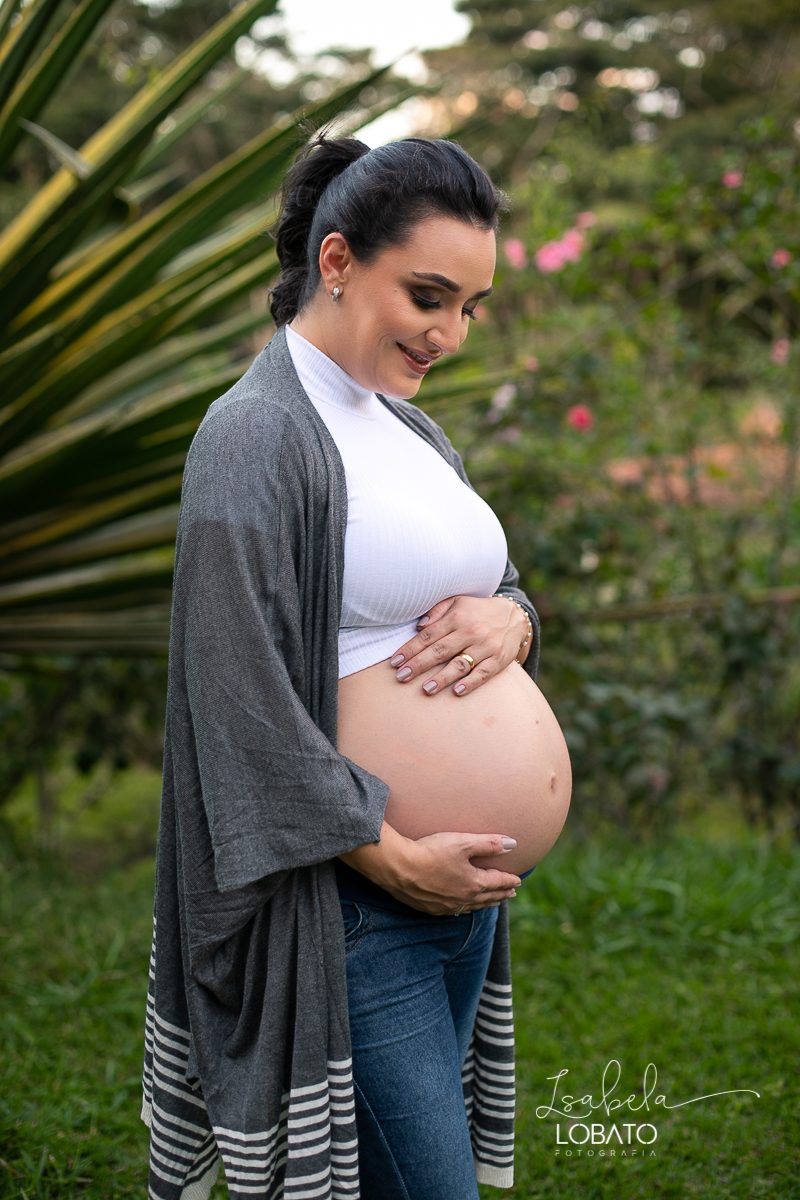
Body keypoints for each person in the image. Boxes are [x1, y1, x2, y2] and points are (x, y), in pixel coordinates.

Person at [142, 133, 570, 1200]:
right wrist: (387, 858)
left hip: (459, 904)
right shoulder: (255, 435)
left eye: (468, 306)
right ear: (336, 261)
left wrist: (513, 622)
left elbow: (497, 587)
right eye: (427, 294)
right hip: (351, 910)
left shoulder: (410, 430)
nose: (449, 334)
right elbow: (230, 688)